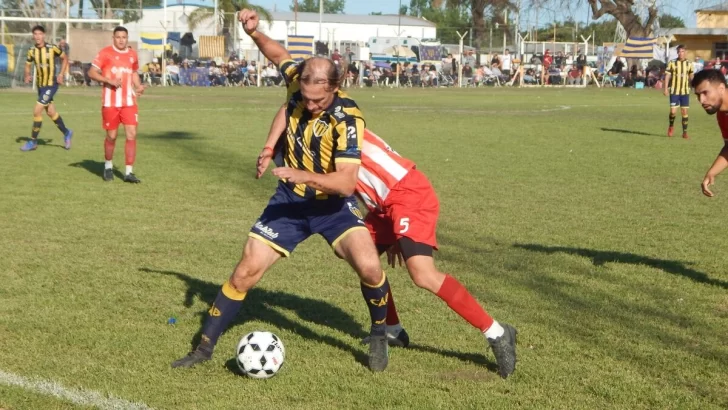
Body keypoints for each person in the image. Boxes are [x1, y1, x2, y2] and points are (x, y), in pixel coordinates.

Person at [171, 8, 392, 373]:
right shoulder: (299, 84)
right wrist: (254, 33)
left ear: (334, 89)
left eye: (318, 100)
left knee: (369, 268)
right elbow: (277, 54)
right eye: (304, 96)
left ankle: (380, 334)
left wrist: (302, 174)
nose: (309, 104)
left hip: (332, 205)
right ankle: (204, 347)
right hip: (289, 203)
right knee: (245, 272)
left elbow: (347, 182)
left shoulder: (349, 118)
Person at [257, 121, 518, 379]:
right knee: (360, 258)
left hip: (407, 193)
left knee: (422, 274)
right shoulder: (316, 137)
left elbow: (342, 178)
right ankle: (393, 330)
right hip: (382, 206)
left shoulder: (336, 123)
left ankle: (497, 332)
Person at [87, 26, 145, 183]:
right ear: (113, 38)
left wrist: (138, 86)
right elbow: (91, 72)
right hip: (110, 102)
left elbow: (133, 72)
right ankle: (108, 166)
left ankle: (129, 172)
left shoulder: (132, 54)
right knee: (111, 136)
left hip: (129, 102)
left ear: (127, 38)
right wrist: (108, 80)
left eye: (124, 37)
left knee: (131, 134)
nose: (121, 40)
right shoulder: (105, 53)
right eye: (118, 37)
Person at [20, 25, 73, 151]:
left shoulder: (52, 48)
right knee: (51, 112)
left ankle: (33, 141)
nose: (37, 36)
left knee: (37, 110)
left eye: (40, 34)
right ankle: (67, 133)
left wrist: (61, 74)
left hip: (51, 84)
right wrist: (27, 75)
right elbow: (27, 65)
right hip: (40, 86)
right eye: (35, 34)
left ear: (44, 35)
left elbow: (65, 58)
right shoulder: (31, 50)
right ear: (33, 36)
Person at [692, 70, 728, 197]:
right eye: (698, 95)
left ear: (721, 88)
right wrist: (711, 173)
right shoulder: (722, 114)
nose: (701, 100)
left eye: (705, 93)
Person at [664, 45, 694, 139]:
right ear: (677, 52)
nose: (680, 53)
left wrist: (695, 87)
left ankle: (684, 132)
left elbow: (691, 77)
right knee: (673, 112)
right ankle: (671, 126)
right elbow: (667, 76)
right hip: (674, 91)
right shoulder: (672, 62)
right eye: (679, 51)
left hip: (685, 91)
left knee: (684, 111)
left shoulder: (689, 63)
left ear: (685, 52)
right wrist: (665, 88)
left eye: (682, 51)